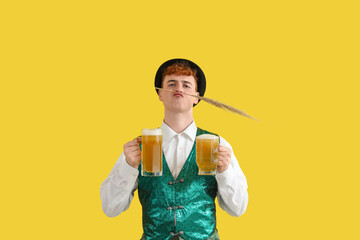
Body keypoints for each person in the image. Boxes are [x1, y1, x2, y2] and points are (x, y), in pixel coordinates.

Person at [100, 58, 248, 240]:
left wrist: (225, 172)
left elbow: (238, 209)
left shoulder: (218, 144)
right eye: (171, 83)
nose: (178, 89)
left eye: (186, 85)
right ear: (160, 94)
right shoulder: (140, 147)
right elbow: (110, 209)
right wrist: (129, 168)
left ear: (197, 97)